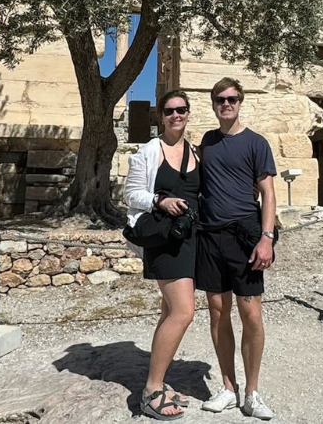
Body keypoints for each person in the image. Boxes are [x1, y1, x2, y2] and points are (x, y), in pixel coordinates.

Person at [196, 77, 277, 420]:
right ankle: (228, 388)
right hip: (210, 235)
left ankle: (252, 392)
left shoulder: (256, 142)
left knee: (251, 314)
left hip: (244, 235)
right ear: (213, 104)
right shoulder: (207, 141)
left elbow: (268, 193)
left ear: (240, 102)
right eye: (220, 99)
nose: (226, 104)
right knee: (217, 312)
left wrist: (266, 237)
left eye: (232, 99)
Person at [124, 89, 200, 421]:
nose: (175, 115)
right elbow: (131, 194)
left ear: (188, 112)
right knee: (183, 312)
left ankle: (159, 380)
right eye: (169, 111)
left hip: (190, 239)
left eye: (181, 109)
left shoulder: (196, 152)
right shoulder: (148, 152)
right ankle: (151, 390)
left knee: (170, 311)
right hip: (163, 239)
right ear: (161, 116)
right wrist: (159, 200)